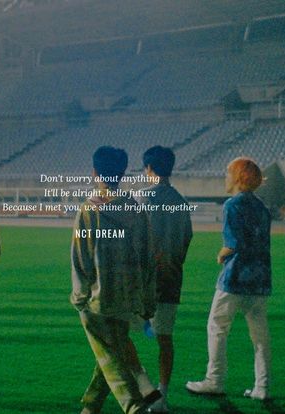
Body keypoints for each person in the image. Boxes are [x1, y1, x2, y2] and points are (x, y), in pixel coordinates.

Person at [71, 146, 157, 414]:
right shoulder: (135, 210)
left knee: (109, 355)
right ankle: (91, 406)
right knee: (113, 352)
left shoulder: (89, 210)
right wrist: (147, 298)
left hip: (97, 298)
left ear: (95, 172)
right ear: (122, 173)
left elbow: (81, 258)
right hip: (128, 296)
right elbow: (147, 257)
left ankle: (134, 406)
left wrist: (79, 295)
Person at [186, 157, 272, 401]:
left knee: (217, 328)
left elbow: (232, 244)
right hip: (260, 279)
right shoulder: (262, 208)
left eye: (227, 173)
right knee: (260, 337)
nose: (225, 178)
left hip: (234, 279)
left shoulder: (232, 205)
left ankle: (215, 380)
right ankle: (262, 387)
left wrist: (220, 255)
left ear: (238, 178)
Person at [135, 146, 193, 413]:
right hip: (170, 278)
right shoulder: (180, 201)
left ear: (149, 168)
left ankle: (142, 389)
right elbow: (186, 238)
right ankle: (162, 395)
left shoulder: (142, 199)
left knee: (120, 337)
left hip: (141, 282)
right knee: (165, 339)